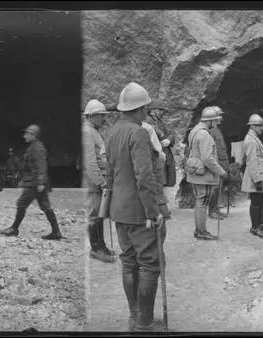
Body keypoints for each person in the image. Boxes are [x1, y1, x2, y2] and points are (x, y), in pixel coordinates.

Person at [104, 82, 165, 331]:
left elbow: (110, 173)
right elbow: (144, 177)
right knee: (150, 262)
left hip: (119, 209)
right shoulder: (138, 132)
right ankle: (144, 321)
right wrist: (154, 211)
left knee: (129, 262)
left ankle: (135, 315)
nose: (147, 113)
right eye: (147, 109)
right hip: (140, 211)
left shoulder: (112, 132)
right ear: (140, 109)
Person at [0, 124, 63, 240]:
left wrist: (40, 182)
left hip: (34, 183)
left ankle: (14, 228)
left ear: (33, 135)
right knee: (45, 206)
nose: (24, 136)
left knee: (21, 203)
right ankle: (56, 232)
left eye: (27, 133)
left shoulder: (37, 148)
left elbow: (41, 165)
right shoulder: (34, 146)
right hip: (35, 182)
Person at [188, 106, 228, 241]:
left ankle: (198, 230)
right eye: (215, 122)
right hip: (203, 176)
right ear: (210, 121)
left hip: (195, 173)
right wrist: (221, 172)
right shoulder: (204, 134)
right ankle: (201, 231)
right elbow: (207, 158)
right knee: (202, 202)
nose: (216, 124)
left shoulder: (194, 131)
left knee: (199, 202)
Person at [82, 99, 114, 263]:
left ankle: (101, 246)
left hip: (96, 181)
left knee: (99, 214)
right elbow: (90, 162)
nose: (104, 119)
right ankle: (96, 249)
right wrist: (101, 182)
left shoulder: (92, 130)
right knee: (94, 215)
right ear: (92, 116)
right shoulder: (87, 132)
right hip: (92, 182)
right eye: (101, 116)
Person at [241, 113, 263, 239]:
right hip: (256, 176)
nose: (262, 128)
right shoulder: (250, 140)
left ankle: (261, 223)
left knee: (261, 200)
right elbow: (252, 161)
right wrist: (258, 180)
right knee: (255, 201)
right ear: (253, 126)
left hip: (260, 174)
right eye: (259, 126)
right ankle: (255, 227)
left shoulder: (254, 138)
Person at [208, 107, 229, 219]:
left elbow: (222, 148)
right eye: (219, 115)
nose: (221, 117)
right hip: (217, 163)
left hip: (221, 162)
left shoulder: (217, 129)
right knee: (214, 188)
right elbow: (212, 149)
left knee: (218, 187)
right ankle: (212, 211)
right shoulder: (212, 131)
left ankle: (215, 208)